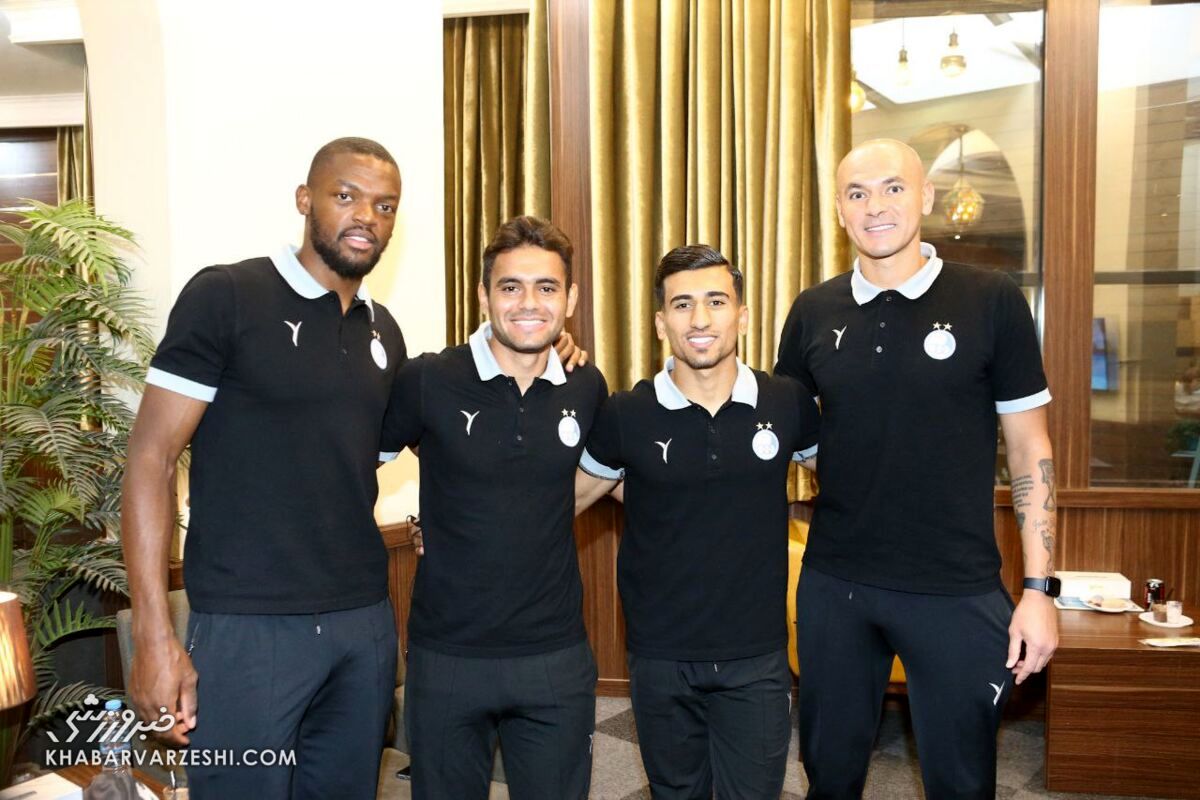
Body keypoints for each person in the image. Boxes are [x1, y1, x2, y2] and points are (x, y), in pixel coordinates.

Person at [122, 137, 406, 799]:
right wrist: (154, 635)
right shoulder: (227, 296)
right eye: (346, 196)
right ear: (305, 200)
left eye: (385, 205)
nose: (366, 216)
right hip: (249, 627)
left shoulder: (383, 332)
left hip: (361, 623)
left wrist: (546, 348)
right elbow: (150, 459)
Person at [775, 139, 1058, 800]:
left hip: (955, 586)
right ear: (840, 211)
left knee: (961, 782)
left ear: (926, 196)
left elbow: (1030, 449)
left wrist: (1040, 590)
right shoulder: (812, 310)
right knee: (829, 777)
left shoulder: (991, 299)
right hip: (836, 582)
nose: (875, 206)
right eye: (857, 193)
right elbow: (781, 426)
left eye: (893, 188)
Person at [576, 245, 820, 799]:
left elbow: (856, 484)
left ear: (743, 316)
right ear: (661, 323)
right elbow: (556, 505)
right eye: (682, 305)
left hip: (757, 655)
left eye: (716, 301)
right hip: (660, 655)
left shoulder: (786, 402)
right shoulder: (625, 414)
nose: (700, 319)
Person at [380, 216, 606, 800]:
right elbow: (347, 469)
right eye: (511, 287)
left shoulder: (586, 386)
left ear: (570, 299)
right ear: (483, 296)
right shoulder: (428, 379)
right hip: (447, 655)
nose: (529, 303)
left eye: (546, 287)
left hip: (555, 654)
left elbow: (595, 482)